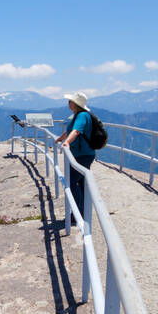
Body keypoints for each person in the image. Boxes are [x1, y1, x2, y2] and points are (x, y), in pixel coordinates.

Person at [54, 91, 96, 220]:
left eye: (70, 101)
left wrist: (67, 142)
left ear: (75, 104)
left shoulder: (82, 116)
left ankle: (78, 213)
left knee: (71, 181)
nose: (68, 103)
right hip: (84, 153)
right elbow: (72, 130)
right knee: (81, 182)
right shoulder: (78, 115)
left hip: (83, 155)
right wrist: (62, 137)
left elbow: (77, 131)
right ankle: (84, 211)